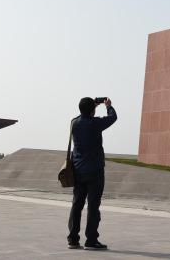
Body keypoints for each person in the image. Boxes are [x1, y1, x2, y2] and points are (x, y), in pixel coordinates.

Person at [67, 96, 117, 250]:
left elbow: (83, 114)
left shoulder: (74, 123)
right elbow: (113, 117)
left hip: (78, 170)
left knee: (77, 205)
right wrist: (108, 106)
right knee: (93, 207)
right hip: (94, 171)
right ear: (93, 109)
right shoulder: (95, 124)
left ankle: (73, 239)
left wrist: (92, 105)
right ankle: (91, 240)